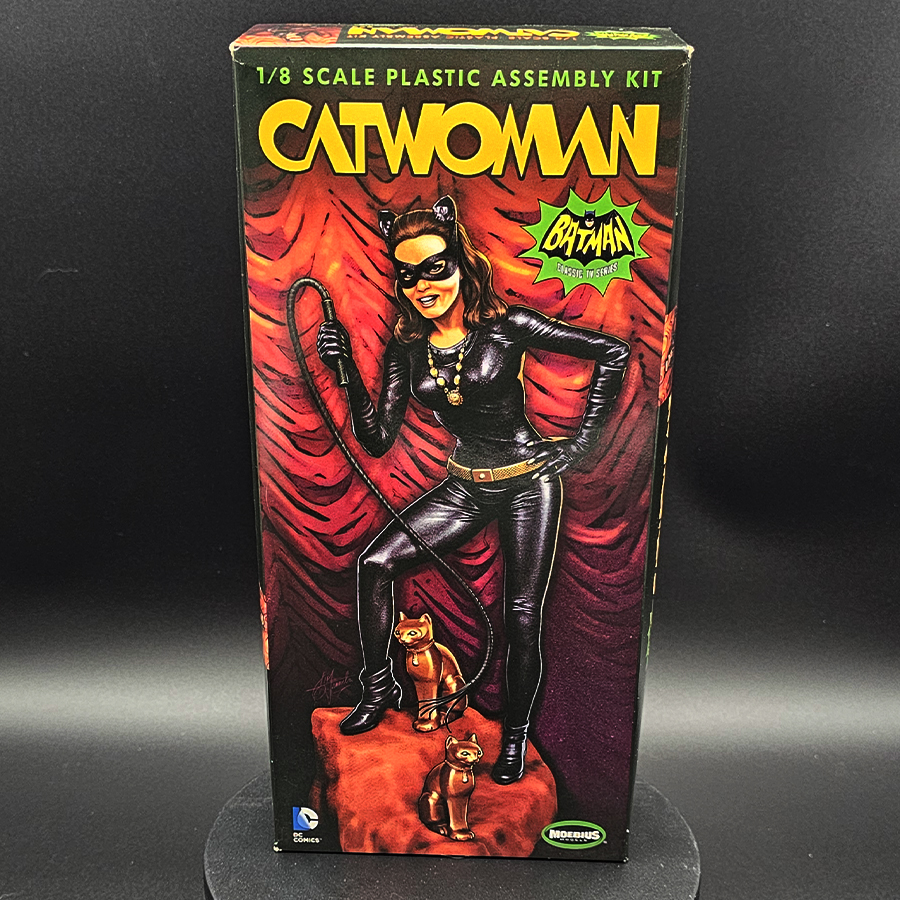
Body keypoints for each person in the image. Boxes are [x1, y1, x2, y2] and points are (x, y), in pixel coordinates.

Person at [316, 196, 630, 784]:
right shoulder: (408, 349)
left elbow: (612, 352)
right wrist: (345, 371)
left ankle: (514, 738)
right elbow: (377, 439)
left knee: (521, 616)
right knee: (375, 564)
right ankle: (378, 689)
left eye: (435, 267)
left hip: (528, 482)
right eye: (408, 275)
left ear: (461, 264)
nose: (422, 285)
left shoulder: (507, 327)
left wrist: (580, 445)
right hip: (465, 486)